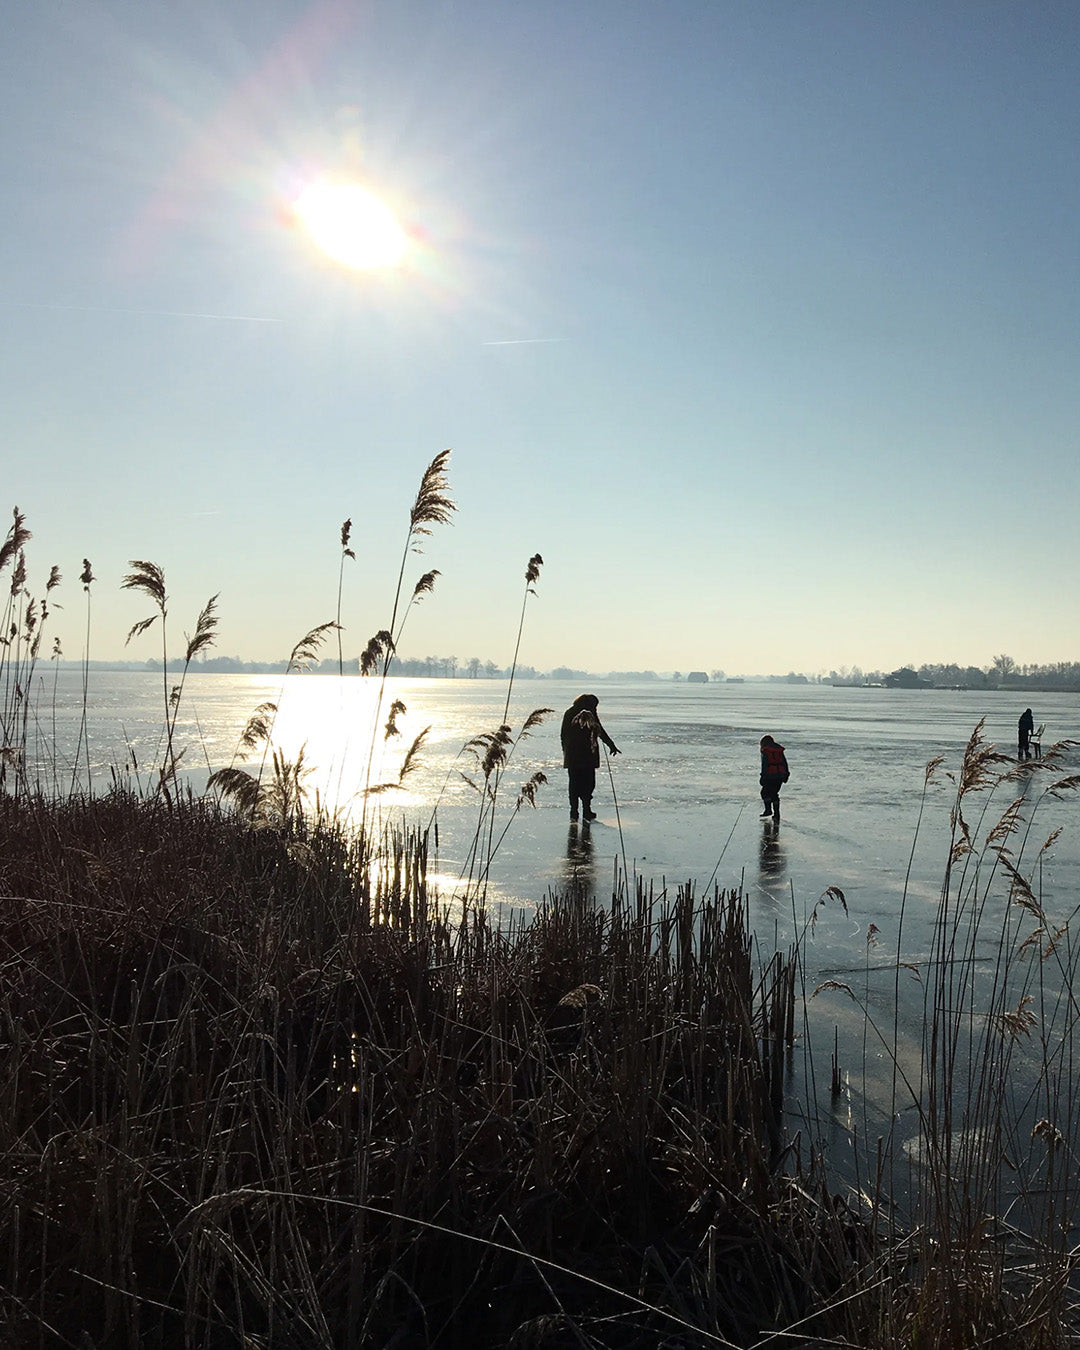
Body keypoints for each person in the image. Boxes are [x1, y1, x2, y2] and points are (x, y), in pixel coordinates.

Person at [560, 694, 620, 822]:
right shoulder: (589, 713)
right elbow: (600, 731)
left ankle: (574, 812)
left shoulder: (569, 712)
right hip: (587, 755)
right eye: (595, 706)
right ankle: (586, 810)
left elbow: (563, 734)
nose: (596, 708)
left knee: (574, 784)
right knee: (588, 783)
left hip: (573, 756)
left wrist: (565, 751)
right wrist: (611, 745)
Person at [759, 734, 790, 820]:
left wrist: (763, 777)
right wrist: (786, 774)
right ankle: (777, 814)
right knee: (774, 794)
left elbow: (764, 765)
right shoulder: (779, 750)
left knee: (764, 793)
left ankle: (768, 810)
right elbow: (784, 763)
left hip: (770, 775)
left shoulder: (766, 751)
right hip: (780, 775)